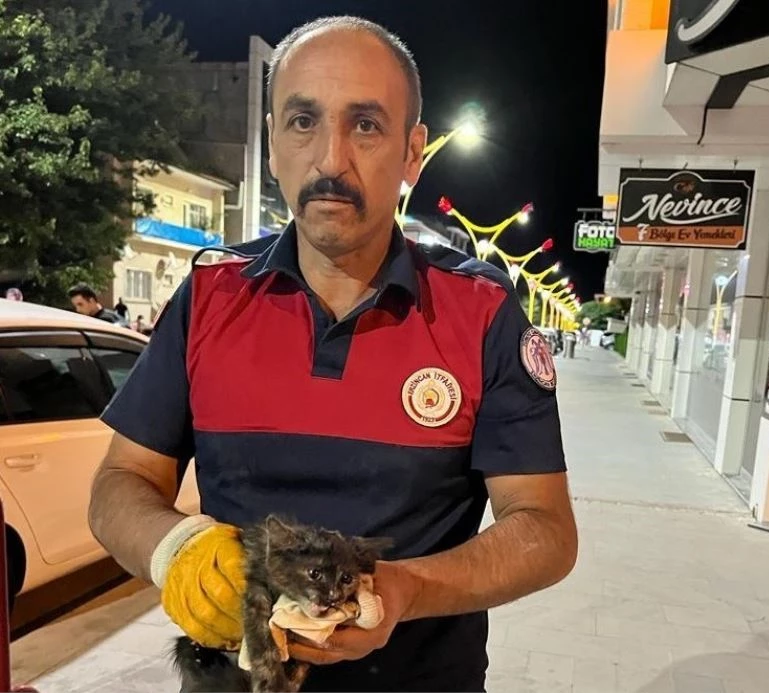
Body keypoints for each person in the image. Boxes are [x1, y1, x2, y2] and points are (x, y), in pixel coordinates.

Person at [87, 15, 577, 693]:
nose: (330, 160)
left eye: (366, 125)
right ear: (273, 143)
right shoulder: (208, 297)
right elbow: (119, 483)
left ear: (412, 153)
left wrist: (406, 588)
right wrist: (176, 549)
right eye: (303, 121)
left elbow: (545, 529)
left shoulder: (481, 311)